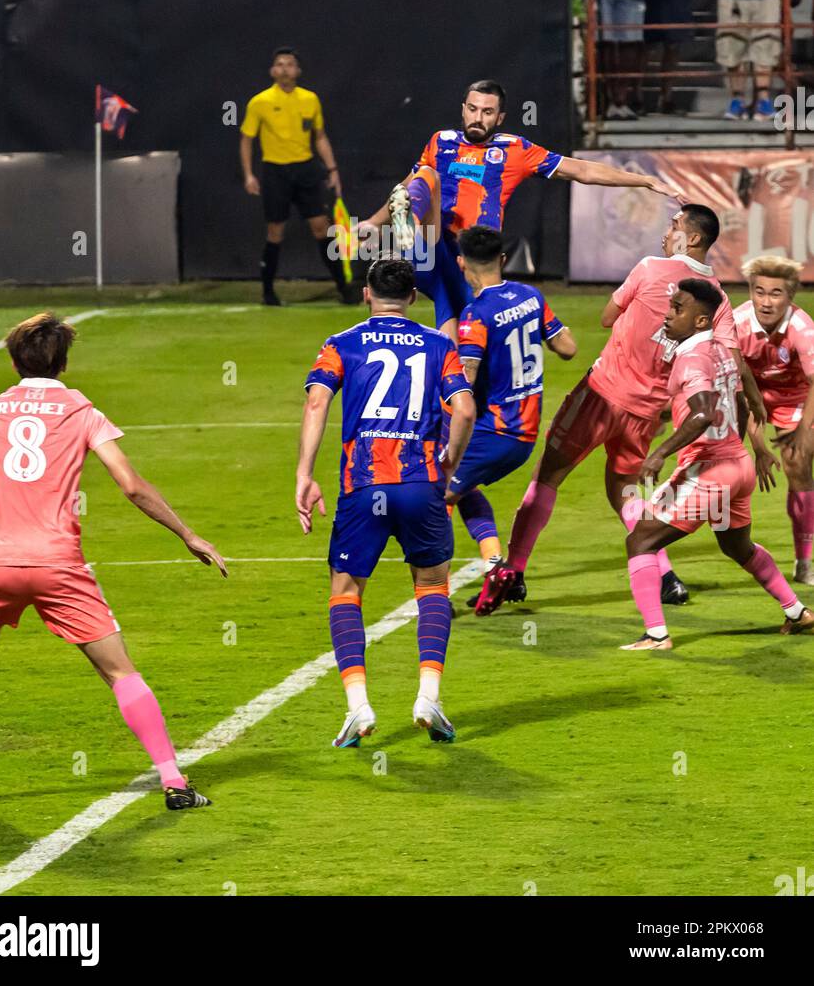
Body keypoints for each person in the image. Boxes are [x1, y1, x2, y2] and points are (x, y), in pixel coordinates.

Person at [0, 313, 226, 812]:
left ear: (13, 361)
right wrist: (187, 534)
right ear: (64, 362)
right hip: (58, 564)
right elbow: (132, 486)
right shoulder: (80, 410)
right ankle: (174, 783)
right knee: (120, 673)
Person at [475, 203, 768, 616]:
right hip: (648, 411)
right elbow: (731, 362)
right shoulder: (716, 297)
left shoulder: (649, 267)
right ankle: (666, 576)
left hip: (602, 393)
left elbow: (607, 317)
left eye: (675, 226)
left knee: (550, 475)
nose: (667, 232)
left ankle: (516, 571)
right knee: (625, 491)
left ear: (694, 238)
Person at [297, 257, 475, 748]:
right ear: (414, 298)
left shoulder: (341, 343)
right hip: (422, 484)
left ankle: (358, 707)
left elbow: (317, 402)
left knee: (346, 590)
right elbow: (464, 408)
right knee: (433, 584)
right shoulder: (441, 345)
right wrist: (450, 461)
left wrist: (304, 474)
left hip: (363, 486)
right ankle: (428, 696)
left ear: (366, 295)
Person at [357, 79, 684, 341]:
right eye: (472, 109)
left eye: (487, 112)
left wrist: (643, 180)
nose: (478, 117)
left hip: (471, 258)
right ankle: (408, 230)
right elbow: (410, 185)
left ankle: (455, 405)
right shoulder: (441, 140)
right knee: (426, 175)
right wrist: (373, 221)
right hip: (431, 242)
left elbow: (581, 170)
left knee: (457, 338)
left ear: (499, 118)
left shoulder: (516, 150)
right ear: (463, 109)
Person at [621, 279, 813, 650]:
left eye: (677, 309)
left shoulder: (692, 356)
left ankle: (656, 635)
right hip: (736, 467)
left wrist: (661, 453)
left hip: (709, 472)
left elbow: (704, 413)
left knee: (640, 540)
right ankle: (797, 611)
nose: (668, 315)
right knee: (737, 547)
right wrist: (743, 450)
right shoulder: (724, 350)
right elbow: (739, 398)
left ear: (700, 320)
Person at [446, 227, 576, 604]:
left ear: (460, 263)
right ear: (502, 260)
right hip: (525, 433)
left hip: (495, 431)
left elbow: (464, 384)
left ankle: (434, 594)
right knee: (460, 485)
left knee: (434, 495)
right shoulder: (530, 296)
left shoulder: (476, 315)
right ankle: (499, 569)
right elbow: (568, 347)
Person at [240, 47, 359, 306]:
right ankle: (268, 292)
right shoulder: (259, 102)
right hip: (275, 171)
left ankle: (344, 287)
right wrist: (249, 174)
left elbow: (320, 137)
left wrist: (333, 169)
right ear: (273, 71)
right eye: (280, 64)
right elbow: (247, 140)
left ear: (298, 71)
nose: (285, 69)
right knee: (275, 231)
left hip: (305, 170)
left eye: (290, 64)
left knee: (322, 227)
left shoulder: (310, 99)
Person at [735, 256, 814, 585]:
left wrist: (803, 434)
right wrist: (758, 446)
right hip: (752, 395)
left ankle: (804, 561)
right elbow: (740, 387)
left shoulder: (802, 327)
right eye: (760, 292)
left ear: (790, 296)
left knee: (797, 465)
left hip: (797, 397)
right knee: (721, 462)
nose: (766, 302)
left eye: (776, 293)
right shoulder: (737, 324)